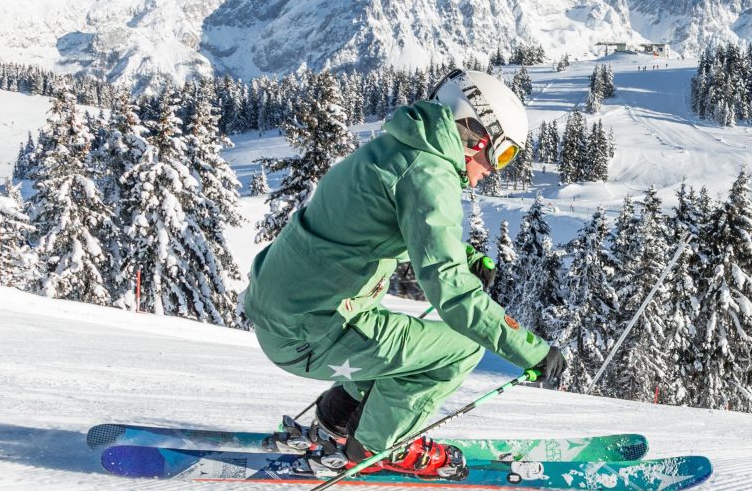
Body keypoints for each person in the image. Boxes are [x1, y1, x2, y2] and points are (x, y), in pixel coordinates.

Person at [242, 69, 565, 479]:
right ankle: (379, 445)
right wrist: (534, 351)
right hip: (309, 334)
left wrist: (461, 257)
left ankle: (335, 420)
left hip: (286, 315)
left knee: (404, 342)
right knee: (461, 347)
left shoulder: (396, 149)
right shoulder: (429, 173)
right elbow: (453, 293)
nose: (493, 170)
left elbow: (388, 225)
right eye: (500, 155)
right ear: (476, 133)